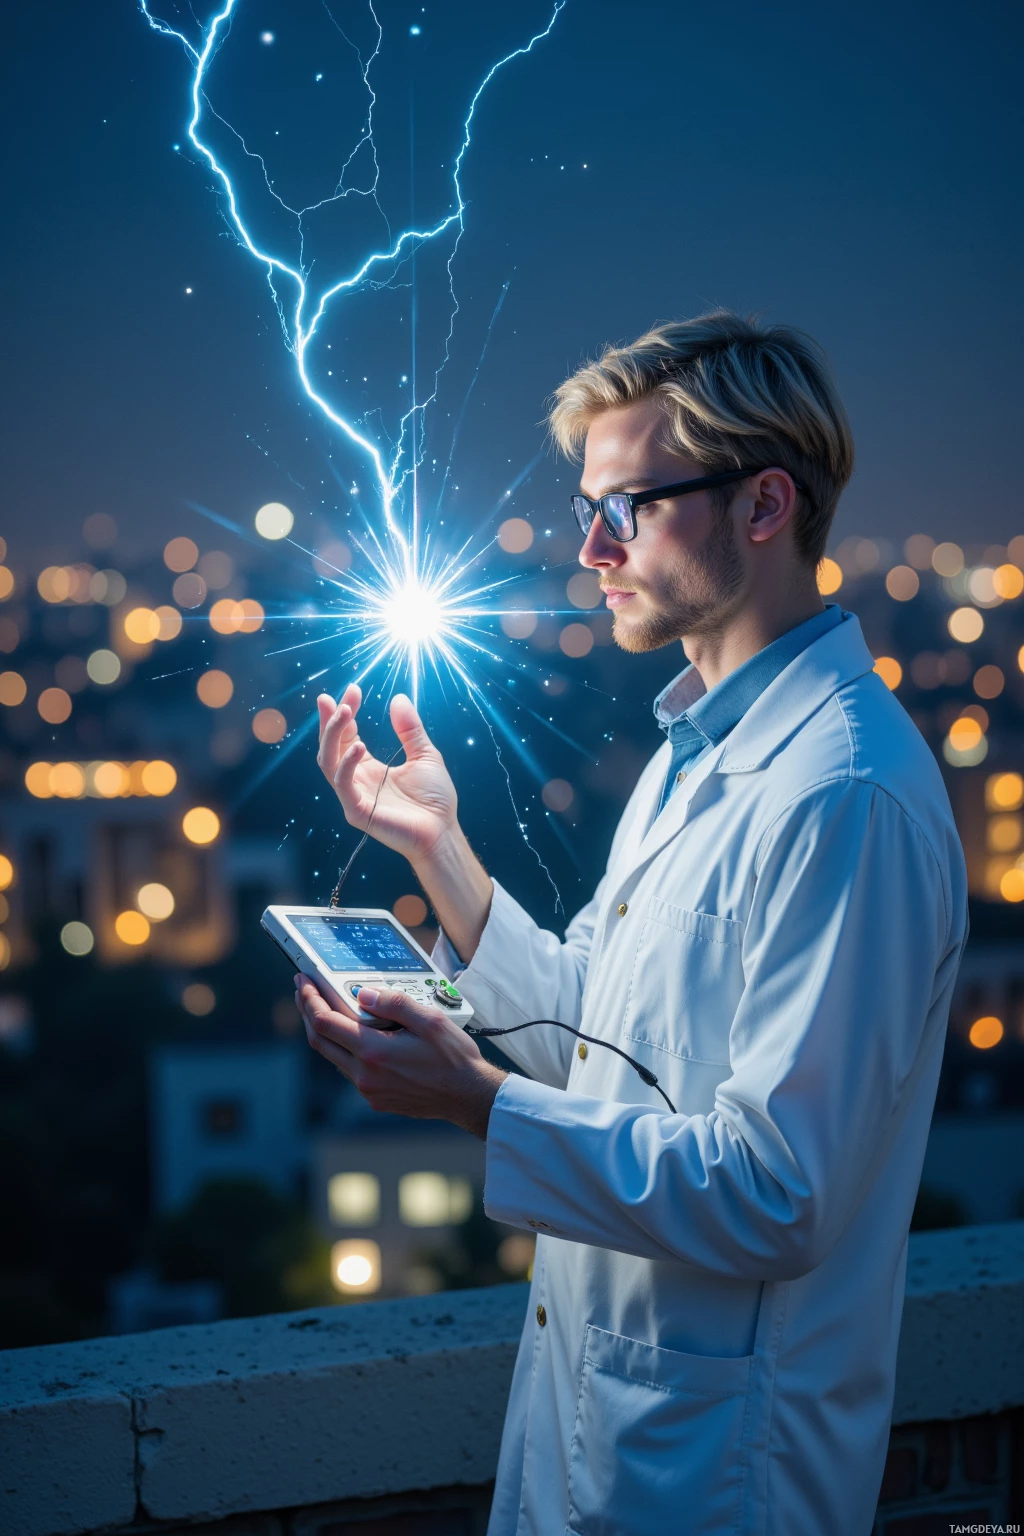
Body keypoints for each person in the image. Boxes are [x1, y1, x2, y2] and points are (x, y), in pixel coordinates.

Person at [295, 310, 968, 1536]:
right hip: (596, 1452)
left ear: (762, 506)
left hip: (720, 1478)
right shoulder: (686, 754)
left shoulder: (846, 794)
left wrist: (476, 1103)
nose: (590, 548)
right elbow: (598, 1045)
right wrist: (440, 856)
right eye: (584, 509)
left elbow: (779, 1191)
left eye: (629, 507)